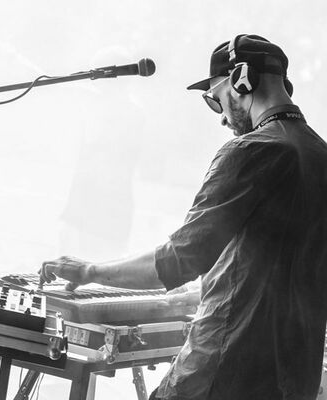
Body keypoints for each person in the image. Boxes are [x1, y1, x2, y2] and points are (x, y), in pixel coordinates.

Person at [40, 34, 327, 400]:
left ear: (241, 79)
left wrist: (88, 272)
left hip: (221, 373)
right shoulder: (320, 157)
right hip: (295, 379)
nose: (221, 117)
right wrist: (206, 288)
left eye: (215, 98)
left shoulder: (250, 150)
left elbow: (178, 260)